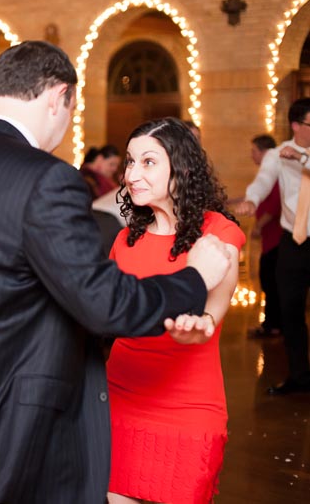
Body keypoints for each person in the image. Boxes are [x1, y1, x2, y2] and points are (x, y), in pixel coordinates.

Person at [0, 41, 232, 504]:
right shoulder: (46, 178)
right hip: (9, 430)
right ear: (58, 97)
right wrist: (195, 277)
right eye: (70, 110)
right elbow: (106, 306)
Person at [106, 117, 244, 504]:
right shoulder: (123, 240)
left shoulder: (218, 232)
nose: (132, 173)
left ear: (180, 167)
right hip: (122, 396)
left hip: (189, 405)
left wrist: (206, 321)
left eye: (148, 162)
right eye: (130, 162)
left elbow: (220, 295)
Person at [237, 97, 310, 394]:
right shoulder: (277, 154)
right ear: (296, 125)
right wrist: (251, 200)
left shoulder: (299, 155)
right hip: (293, 241)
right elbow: (263, 181)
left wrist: (303, 159)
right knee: (290, 310)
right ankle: (300, 377)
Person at [248, 134, 283, 338]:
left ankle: (273, 326)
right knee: (269, 280)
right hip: (271, 238)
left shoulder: (274, 173)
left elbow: (274, 205)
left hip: (276, 238)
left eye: (254, 151)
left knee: (271, 282)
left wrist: (258, 226)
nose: (252, 155)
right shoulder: (266, 174)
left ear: (265, 152)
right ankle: (272, 324)